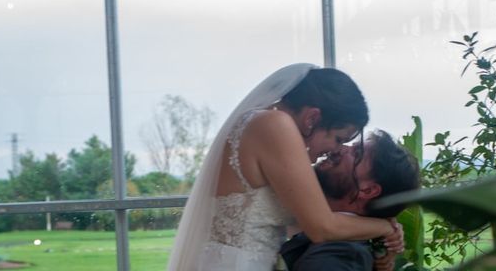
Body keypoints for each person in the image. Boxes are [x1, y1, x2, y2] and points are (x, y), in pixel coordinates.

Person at [167, 63, 403, 271]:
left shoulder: (264, 124)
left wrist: (384, 235)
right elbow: (321, 227)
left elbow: (307, 218)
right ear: (312, 118)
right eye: (339, 138)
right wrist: (383, 226)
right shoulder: (274, 124)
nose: (335, 149)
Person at [280, 129, 421, 271]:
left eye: (357, 154)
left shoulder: (342, 255)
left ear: (367, 191)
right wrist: (384, 227)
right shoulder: (307, 216)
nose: (339, 148)